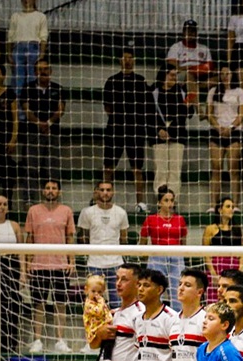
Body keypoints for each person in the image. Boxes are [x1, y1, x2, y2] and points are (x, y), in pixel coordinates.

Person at [23, 179, 74, 354]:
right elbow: (29, 238)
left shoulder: (66, 210)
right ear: (43, 191)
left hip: (60, 265)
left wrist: (71, 262)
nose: (50, 191)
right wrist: (29, 263)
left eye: (54, 188)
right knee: (39, 304)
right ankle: (37, 340)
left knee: (61, 304)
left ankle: (60, 340)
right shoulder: (33, 211)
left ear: (59, 191)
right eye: (47, 188)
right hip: (39, 265)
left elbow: (70, 238)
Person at [102, 48, 150, 213]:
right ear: (120, 60)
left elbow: (146, 106)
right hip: (115, 129)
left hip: (135, 130)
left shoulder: (140, 81)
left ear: (134, 60)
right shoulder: (112, 81)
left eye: (130, 57)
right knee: (108, 167)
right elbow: (107, 106)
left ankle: (140, 203)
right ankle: (104, 199)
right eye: (124, 57)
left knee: (137, 168)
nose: (127, 60)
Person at [78, 180, 128, 305]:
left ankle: (116, 325)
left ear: (113, 192)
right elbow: (83, 237)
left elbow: (123, 238)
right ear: (96, 192)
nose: (105, 193)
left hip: (116, 263)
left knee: (116, 301)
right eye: (102, 190)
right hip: (95, 263)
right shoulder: (87, 212)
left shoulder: (121, 213)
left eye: (108, 190)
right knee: (93, 301)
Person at [206, 66, 243, 210]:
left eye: (227, 73)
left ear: (232, 75)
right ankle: (213, 204)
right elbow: (209, 113)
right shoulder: (213, 91)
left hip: (234, 132)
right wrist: (218, 127)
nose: (225, 76)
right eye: (222, 73)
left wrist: (230, 127)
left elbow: (242, 114)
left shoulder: (239, 92)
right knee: (216, 168)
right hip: (216, 131)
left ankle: (235, 204)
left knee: (234, 169)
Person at [140, 186, 188, 311]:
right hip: (157, 256)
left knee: (178, 291)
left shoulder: (180, 219)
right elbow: (142, 243)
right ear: (159, 202)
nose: (170, 203)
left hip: (176, 256)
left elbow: (183, 242)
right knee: (154, 289)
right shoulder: (151, 219)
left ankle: (178, 320)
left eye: (171, 200)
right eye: (166, 200)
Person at [19, 58, 63, 194]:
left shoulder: (58, 88)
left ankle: (52, 198)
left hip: (52, 132)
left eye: (45, 69)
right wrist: (39, 123)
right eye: (39, 69)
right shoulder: (27, 87)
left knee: (52, 168)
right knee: (31, 168)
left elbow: (60, 109)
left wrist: (48, 123)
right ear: (35, 72)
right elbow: (26, 109)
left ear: (50, 71)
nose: (42, 72)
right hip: (33, 133)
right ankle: (29, 199)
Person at [150, 66, 195, 201]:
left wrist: (188, 107)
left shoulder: (181, 91)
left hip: (177, 134)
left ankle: (172, 202)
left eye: (176, 76)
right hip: (159, 135)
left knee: (175, 171)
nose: (175, 78)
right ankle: (161, 201)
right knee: (161, 170)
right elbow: (148, 114)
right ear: (164, 76)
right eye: (172, 75)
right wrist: (159, 129)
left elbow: (190, 114)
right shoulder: (154, 92)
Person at [166, 19, 215, 111]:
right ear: (183, 32)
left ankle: (196, 87)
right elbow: (172, 67)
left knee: (219, 77)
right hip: (183, 75)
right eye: (188, 30)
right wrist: (189, 69)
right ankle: (199, 109)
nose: (191, 33)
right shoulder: (176, 47)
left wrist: (196, 68)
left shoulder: (204, 48)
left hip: (201, 74)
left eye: (193, 31)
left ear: (196, 33)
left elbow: (210, 66)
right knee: (190, 75)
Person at [0, 195, 23, 354]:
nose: (2, 207)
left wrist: (24, 272)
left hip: (11, 267)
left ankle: (11, 345)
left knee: (11, 305)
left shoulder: (14, 226)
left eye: (5, 204)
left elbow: (21, 252)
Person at [203, 198, 243, 301]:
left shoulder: (237, 229)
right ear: (220, 209)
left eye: (233, 207)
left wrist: (240, 269)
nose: (231, 209)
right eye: (228, 206)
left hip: (233, 267)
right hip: (216, 267)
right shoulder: (210, 229)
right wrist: (212, 272)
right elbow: (206, 253)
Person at [7, 0, 47, 95]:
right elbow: (10, 37)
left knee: (32, 78)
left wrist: (42, 54)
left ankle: (31, 105)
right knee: (18, 78)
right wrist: (9, 54)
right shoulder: (15, 16)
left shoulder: (41, 16)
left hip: (33, 48)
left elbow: (43, 37)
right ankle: (18, 107)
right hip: (18, 48)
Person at [83, 275, 115, 361]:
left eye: (100, 292)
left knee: (105, 346)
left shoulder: (98, 302)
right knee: (109, 338)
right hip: (94, 330)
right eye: (93, 291)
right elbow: (99, 311)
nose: (97, 295)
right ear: (86, 290)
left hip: (100, 326)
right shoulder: (89, 303)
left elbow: (105, 312)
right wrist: (102, 301)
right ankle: (106, 359)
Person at [0, 65, 19, 202]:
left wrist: (13, 139)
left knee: (7, 173)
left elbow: (15, 118)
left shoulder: (9, 93)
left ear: (3, 76)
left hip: (5, 139)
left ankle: (6, 204)